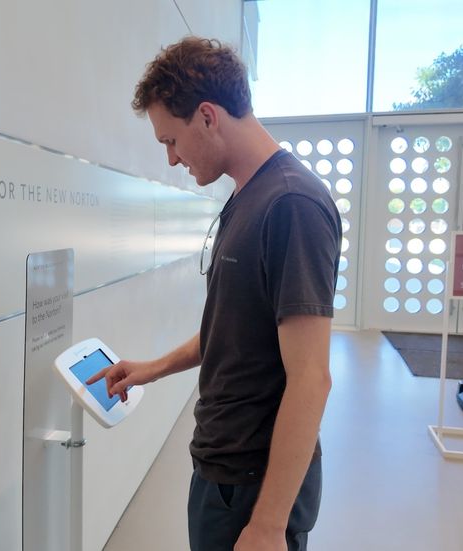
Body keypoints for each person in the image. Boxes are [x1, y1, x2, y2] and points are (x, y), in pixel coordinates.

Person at [87, 37, 341, 551]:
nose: (172, 160)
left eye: (171, 141)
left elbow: (311, 379)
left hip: (253, 486)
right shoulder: (248, 197)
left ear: (207, 116)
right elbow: (234, 328)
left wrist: (268, 525)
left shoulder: (291, 205)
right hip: (223, 471)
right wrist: (151, 368)